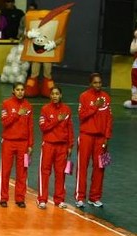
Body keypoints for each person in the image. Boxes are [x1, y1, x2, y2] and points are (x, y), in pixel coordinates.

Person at [75, 73, 113, 208]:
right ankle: (80, 197)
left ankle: (95, 197)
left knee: (101, 167)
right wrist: (95, 106)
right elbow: (81, 116)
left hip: (101, 139)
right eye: (95, 82)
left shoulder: (107, 97)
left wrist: (107, 137)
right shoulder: (84, 96)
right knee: (82, 166)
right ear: (90, 83)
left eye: (100, 82)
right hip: (86, 136)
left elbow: (109, 119)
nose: (98, 85)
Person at [37, 86, 73, 209]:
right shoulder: (45, 109)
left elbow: (70, 129)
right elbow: (43, 127)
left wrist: (70, 145)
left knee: (60, 174)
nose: (55, 96)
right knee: (45, 172)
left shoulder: (67, 110)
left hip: (62, 147)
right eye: (52, 94)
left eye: (57, 94)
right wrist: (56, 120)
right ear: (50, 96)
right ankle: (42, 199)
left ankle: (59, 199)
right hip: (48, 145)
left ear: (60, 95)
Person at [0, 82, 33, 208]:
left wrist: (30, 144)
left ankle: (20, 198)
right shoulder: (6, 104)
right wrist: (17, 114)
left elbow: (30, 127)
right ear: (13, 91)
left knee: (22, 172)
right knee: (5, 171)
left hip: (23, 144)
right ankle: (3, 198)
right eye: (17, 90)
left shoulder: (28, 106)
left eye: (22, 90)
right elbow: (5, 123)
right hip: (8, 142)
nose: (20, 92)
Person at [125, 28, 137, 109]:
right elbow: (132, 50)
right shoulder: (135, 40)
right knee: (135, 85)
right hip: (136, 67)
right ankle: (135, 102)